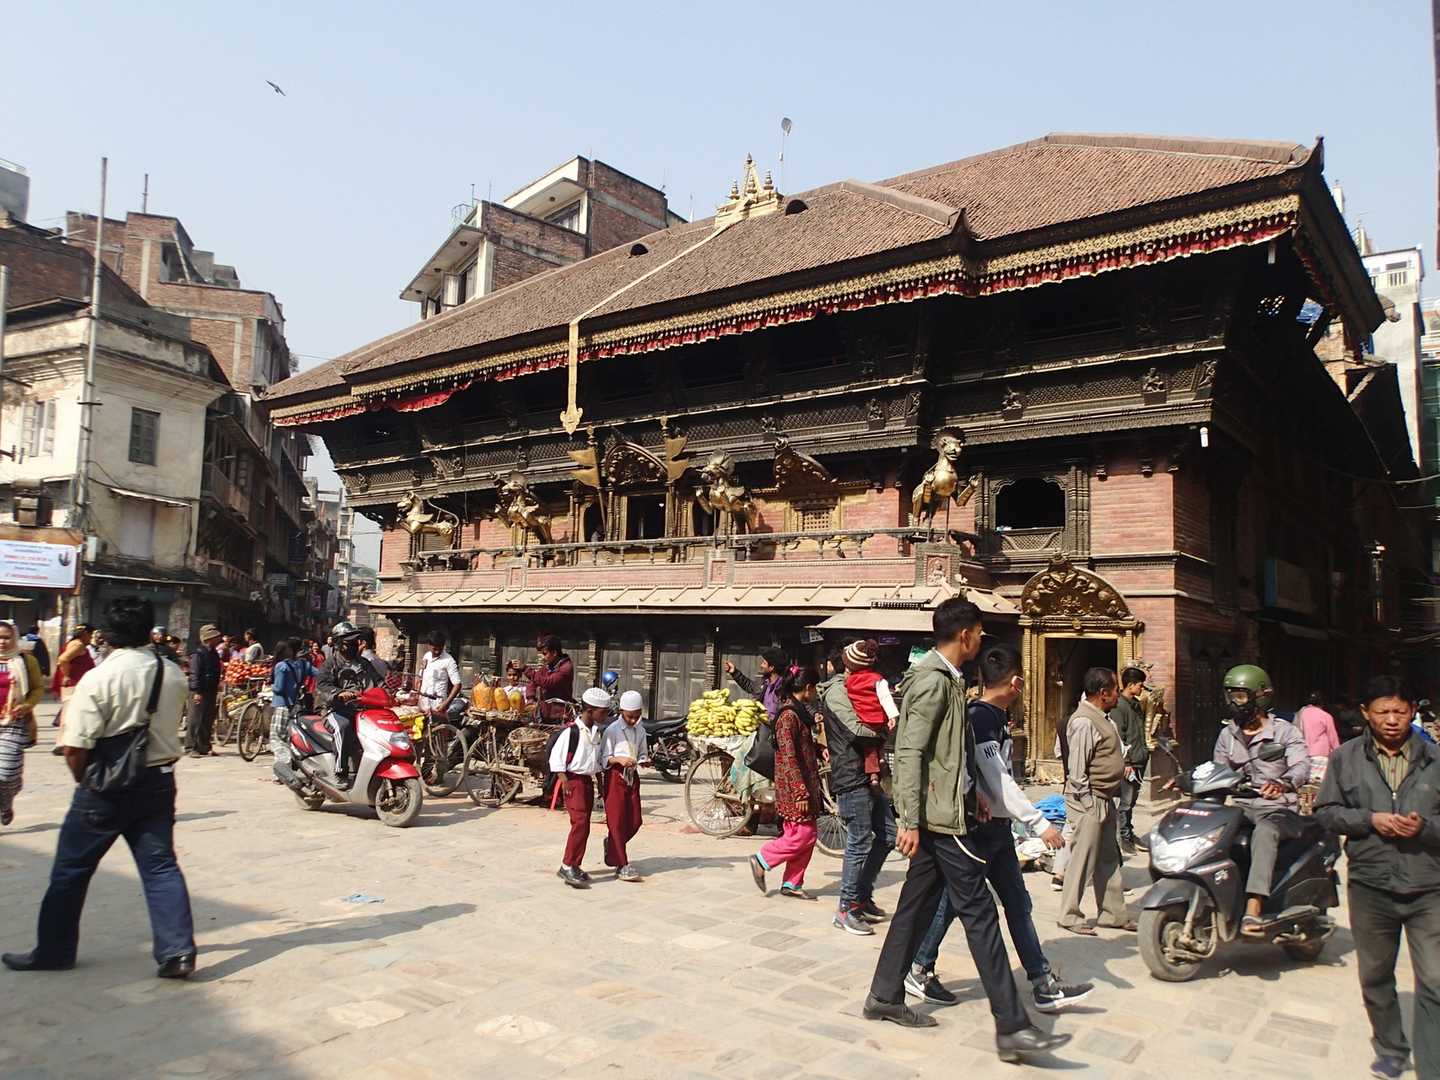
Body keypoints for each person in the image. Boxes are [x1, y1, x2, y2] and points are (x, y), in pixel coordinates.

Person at [864, 597, 1068, 1062]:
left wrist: (972, 789)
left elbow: (948, 752)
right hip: (939, 821)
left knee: (914, 908)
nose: (980, 640)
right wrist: (908, 819)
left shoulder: (949, 679)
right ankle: (1012, 1027)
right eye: (978, 632)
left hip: (948, 810)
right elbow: (910, 751)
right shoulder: (933, 681)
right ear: (965, 635)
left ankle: (884, 995)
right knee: (980, 913)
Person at [2, 597, 195, 978]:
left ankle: (54, 950)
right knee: (160, 867)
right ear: (149, 631)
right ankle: (178, 953)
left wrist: (87, 782)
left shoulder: (99, 677)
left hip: (103, 786)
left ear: (106, 634)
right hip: (157, 781)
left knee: (71, 870)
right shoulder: (171, 673)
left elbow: (75, 746)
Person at [906, 643, 1092, 1012]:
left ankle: (1042, 982)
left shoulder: (991, 716)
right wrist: (1038, 822)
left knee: (1016, 902)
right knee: (955, 902)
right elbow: (997, 780)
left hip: (998, 830)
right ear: (1016, 682)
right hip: (977, 831)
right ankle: (920, 967)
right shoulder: (980, 718)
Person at [1314, 675, 1439, 1080]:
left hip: (1428, 886)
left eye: (1400, 711)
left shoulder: (1435, 759)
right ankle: (1390, 1049)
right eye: (1382, 711)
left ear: (1412, 712)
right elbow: (1326, 812)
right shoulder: (1345, 758)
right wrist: (1370, 820)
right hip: (1371, 885)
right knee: (1375, 975)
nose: (1391, 719)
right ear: (1365, 713)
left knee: (1435, 979)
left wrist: (1425, 828)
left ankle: (1432, 1065)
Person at [1211, 664, 1310, 936]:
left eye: (1240, 696)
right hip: (1241, 806)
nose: (1233, 703)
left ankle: (1253, 908)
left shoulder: (1284, 732)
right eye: (1230, 696)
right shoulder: (1228, 734)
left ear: (1260, 696)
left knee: (1265, 832)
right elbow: (1218, 770)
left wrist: (1283, 782)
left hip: (1279, 809)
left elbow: (1301, 766)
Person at [820, 644, 894, 936]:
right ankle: (846, 907)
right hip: (851, 774)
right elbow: (855, 729)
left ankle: (862, 895)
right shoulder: (837, 693)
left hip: (869, 773)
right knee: (859, 842)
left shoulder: (862, 687)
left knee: (888, 836)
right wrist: (884, 730)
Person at [1057, 667, 1134, 936]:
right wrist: (1089, 806)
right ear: (1103, 693)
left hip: (1105, 798)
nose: (1118, 695)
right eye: (1115, 690)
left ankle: (1113, 914)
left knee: (1108, 859)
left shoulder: (1103, 719)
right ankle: (1069, 915)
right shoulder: (1083, 722)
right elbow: (1077, 772)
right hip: (1088, 800)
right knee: (1083, 860)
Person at [748, 668, 824, 900]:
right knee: (804, 835)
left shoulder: (798, 712)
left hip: (803, 784)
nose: (815, 694)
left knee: (802, 835)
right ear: (808, 688)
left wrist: (818, 750)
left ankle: (792, 882)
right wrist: (800, 792)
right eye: (815, 688)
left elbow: (801, 747)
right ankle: (763, 859)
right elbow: (789, 757)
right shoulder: (788, 717)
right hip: (794, 788)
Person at [552, 686, 610, 888]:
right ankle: (567, 864)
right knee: (580, 823)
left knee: (584, 825)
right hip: (573, 781)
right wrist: (564, 781)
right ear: (590, 711)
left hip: (587, 782)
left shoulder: (596, 733)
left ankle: (575, 864)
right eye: (603, 712)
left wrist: (600, 784)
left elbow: (596, 762)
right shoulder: (571, 732)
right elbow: (556, 759)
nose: (605, 716)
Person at [314, 621, 383, 788]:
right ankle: (340, 772)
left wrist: (394, 693)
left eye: (355, 641)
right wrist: (339, 693)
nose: (353, 644)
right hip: (334, 710)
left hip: (361, 710)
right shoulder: (330, 664)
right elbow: (322, 686)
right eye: (348, 642)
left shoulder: (364, 663)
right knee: (343, 727)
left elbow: (379, 682)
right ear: (339, 643)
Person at [0, 621, 45, 826]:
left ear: (15, 637)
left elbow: (37, 688)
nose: (2, 642)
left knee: (7, 772)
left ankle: (6, 800)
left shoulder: (26, 661)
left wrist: (26, 705)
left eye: (6, 637)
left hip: (14, 721)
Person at [602, 690, 648, 882]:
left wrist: (643, 760)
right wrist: (619, 759)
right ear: (621, 712)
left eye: (637, 716)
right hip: (615, 776)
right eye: (630, 717)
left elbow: (642, 753)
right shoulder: (612, 730)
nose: (633, 720)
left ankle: (613, 845)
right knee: (616, 821)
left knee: (635, 820)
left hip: (632, 776)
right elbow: (604, 758)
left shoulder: (640, 730)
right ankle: (622, 864)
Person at [842, 638, 898, 785]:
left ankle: (873, 774)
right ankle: (882, 758)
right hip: (879, 718)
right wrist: (892, 716)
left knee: (869, 747)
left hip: (863, 719)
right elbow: (885, 697)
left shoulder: (849, 681)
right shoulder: (877, 679)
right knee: (880, 739)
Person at [1111, 666, 1149, 853]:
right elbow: (1119, 736)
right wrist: (1125, 762)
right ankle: (1124, 837)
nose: (1142, 688)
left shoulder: (1135, 705)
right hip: (1129, 762)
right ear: (1131, 685)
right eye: (1140, 685)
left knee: (1132, 800)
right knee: (1125, 802)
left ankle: (1129, 832)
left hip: (1139, 758)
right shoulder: (1119, 706)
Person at [270, 638, 317, 766]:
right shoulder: (303, 664)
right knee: (289, 737)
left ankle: (283, 767)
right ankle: (291, 764)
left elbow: (279, 688)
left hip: (282, 705)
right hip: (296, 706)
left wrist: (271, 686)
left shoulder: (282, 666)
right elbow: (319, 673)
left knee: (278, 739)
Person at [52, 625, 96, 755]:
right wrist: (66, 675)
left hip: (75, 683)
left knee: (68, 712)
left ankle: (62, 742)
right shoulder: (78, 645)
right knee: (69, 713)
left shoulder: (75, 643)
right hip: (74, 684)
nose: (91, 638)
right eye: (91, 635)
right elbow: (63, 659)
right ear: (85, 633)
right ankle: (61, 743)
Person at [184, 625, 223, 759]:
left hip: (211, 690)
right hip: (199, 691)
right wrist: (196, 691)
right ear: (208, 638)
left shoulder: (213, 653)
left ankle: (204, 746)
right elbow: (194, 673)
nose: (218, 639)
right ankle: (191, 747)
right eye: (215, 637)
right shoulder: (198, 654)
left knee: (207, 719)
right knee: (195, 719)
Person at [724, 647, 787, 721]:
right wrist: (734, 672)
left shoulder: (785, 688)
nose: (761, 665)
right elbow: (749, 686)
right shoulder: (764, 682)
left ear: (771, 667)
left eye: (764, 663)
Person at [526, 635, 575, 722]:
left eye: (545, 654)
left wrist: (525, 669)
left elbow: (548, 683)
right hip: (544, 713)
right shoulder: (547, 666)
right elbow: (534, 681)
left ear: (554, 653)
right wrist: (531, 698)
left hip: (560, 715)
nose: (542, 657)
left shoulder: (566, 668)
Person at [1297, 690, 1341, 782]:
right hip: (1321, 754)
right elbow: (1333, 738)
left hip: (1305, 753)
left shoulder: (1302, 714)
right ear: (1322, 702)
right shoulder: (1326, 716)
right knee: (1319, 783)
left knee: (1309, 782)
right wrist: (1339, 754)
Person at [417, 630, 462, 721]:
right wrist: (417, 695)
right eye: (434, 649)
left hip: (437, 705)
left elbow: (457, 685)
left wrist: (445, 704)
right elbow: (420, 677)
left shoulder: (449, 660)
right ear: (428, 645)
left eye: (440, 649)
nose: (437, 652)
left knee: (437, 728)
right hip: (423, 702)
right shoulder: (426, 656)